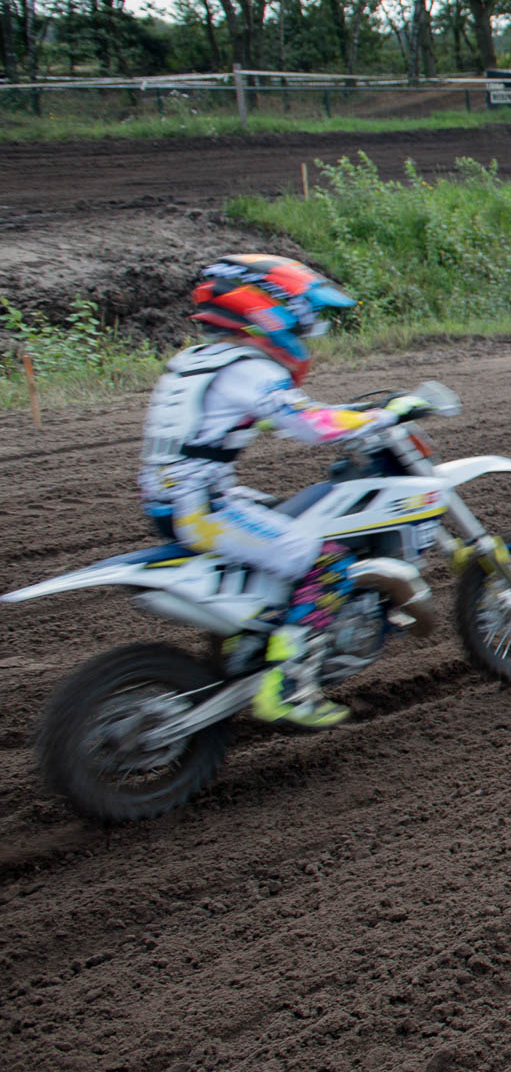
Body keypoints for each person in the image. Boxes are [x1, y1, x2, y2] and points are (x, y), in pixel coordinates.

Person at [141, 254, 420, 728]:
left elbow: (259, 416)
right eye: (303, 317)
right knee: (326, 561)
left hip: (171, 500)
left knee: (282, 521)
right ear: (269, 310)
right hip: (203, 510)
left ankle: (250, 641)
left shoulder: (195, 361)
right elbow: (309, 424)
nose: (307, 330)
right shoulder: (250, 368)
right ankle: (289, 688)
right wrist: (384, 415)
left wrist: (345, 413)